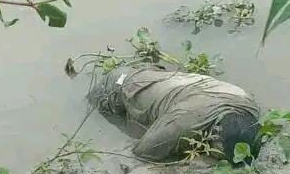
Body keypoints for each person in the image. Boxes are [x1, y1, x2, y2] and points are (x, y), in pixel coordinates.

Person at [88, 65, 261, 163]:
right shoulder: (186, 121)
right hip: (116, 87)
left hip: (163, 78)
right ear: (215, 135)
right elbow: (141, 153)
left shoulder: (248, 106)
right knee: (92, 112)